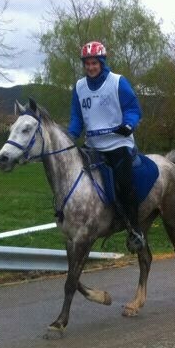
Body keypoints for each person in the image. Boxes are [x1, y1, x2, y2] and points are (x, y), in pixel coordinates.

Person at [68, 40, 145, 253]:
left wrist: (128, 125)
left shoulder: (118, 82)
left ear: (102, 62)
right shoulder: (79, 87)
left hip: (118, 143)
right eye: (87, 64)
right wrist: (70, 136)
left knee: (124, 183)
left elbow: (133, 109)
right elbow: (77, 117)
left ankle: (134, 229)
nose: (91, 67)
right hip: (92, 145)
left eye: (94, 63)